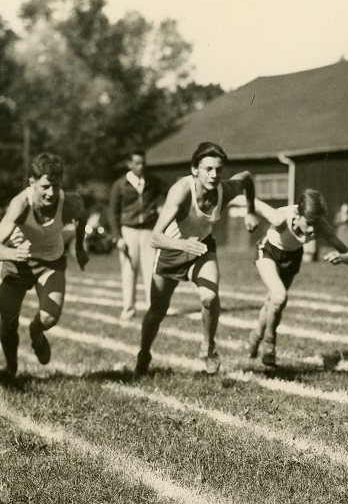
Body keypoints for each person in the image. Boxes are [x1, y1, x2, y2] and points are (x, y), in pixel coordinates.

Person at [135, 142, 257, 376]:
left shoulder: (225, 189)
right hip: (170, 250)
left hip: (201, 247)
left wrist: (250, 211)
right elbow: (155, 238)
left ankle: (208, 347)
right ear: (195, 170)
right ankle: (143, 354)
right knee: (157, 311)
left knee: (210, 297)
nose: (214, 175)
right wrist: (182, 244)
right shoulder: (182, 190)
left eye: (219, 170)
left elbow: (247, 177)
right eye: (207, 169)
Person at [0, 152, 88, 381]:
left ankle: (36, 331)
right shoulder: (20, 205)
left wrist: (80, 248)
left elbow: (82, 214)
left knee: (50, 318)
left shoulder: (69, 202)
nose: (51, 193)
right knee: (8, 320)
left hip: (50, 262)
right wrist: (13, 253)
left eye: (56, 185)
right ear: (32, 183)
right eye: (45, 186)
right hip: (17, 264)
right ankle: (10, 368)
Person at [243, 190, 348, 366]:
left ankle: (256, 334)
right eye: (309, 223)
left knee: (274, 304)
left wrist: (342, 258)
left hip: (292, 257)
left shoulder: (320, 226)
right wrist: (249, 213)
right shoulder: (281, 218)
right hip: (269, 251)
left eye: (316, 223)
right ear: (298, 214)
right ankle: (269, 343)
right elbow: (251, 200)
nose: (312, 229)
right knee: (279, 296)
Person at [109, 149, 162, 320]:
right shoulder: (120, 185)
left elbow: (168, 191)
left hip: (148, 229)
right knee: (129, 270)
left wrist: (160, 205)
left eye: (143, 162)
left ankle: (153, 308)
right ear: (129, 164)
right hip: (129, 230)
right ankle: (128, 309)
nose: (141, 166)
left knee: (151, 270)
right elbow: (113, 213)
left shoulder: (153, 181)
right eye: (137, 163)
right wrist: (118, 237)